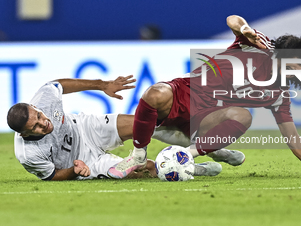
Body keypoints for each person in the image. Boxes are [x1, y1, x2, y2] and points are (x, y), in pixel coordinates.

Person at [109, 15, 301, 179]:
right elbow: (233, 19)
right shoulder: (260, 44)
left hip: (205, 119)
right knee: (154, 94)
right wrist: (245, 29)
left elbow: (293, 138)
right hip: (184, 93)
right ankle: (139, 155)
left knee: (242, 116)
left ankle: (187, 155)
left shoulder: (278, 95)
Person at [7, 76, 234, 181]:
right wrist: (74, 171)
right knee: (144, 168)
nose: (43, 123)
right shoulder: (28, 154)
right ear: (24, 134)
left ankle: (212, 148)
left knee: (145, 125)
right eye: (35, 127)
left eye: (39, 116)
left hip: (85, 128)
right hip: (84, 161)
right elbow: (51, 175)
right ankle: (193, 169)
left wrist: (102, 85)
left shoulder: (44, 99)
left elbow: (59, 85)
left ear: (36, 107)